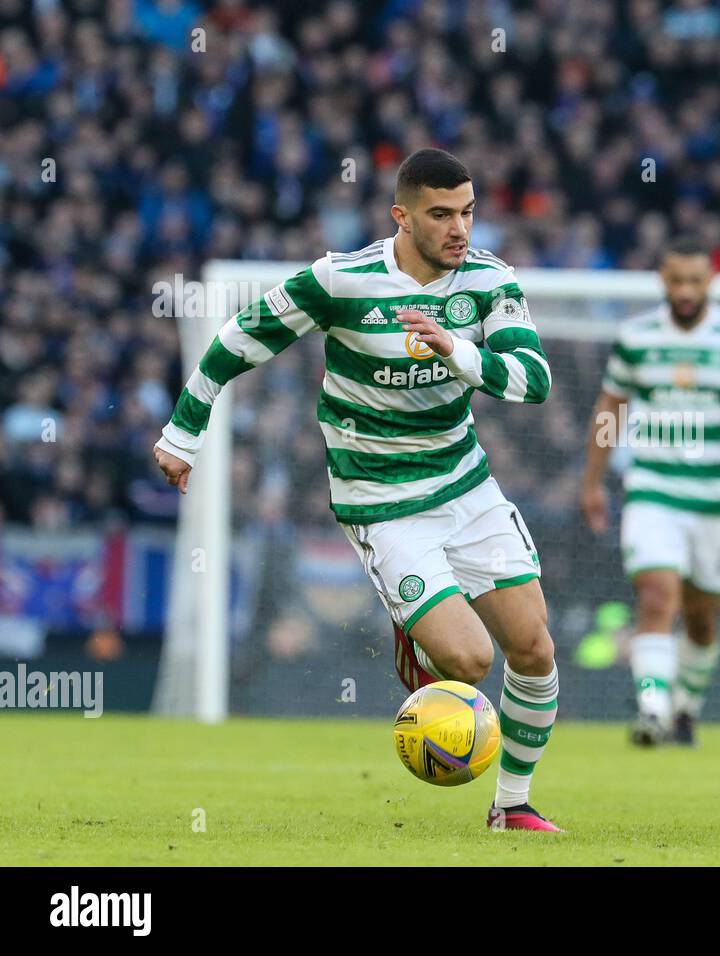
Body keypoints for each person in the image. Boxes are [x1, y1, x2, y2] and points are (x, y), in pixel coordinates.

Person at [153, 148, 563, 831]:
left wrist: (456, 351)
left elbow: (535, 380)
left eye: (467, 212)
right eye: (440, 215)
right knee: (468, 658)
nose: (459, 228)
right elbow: (239, 338)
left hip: (466, 487)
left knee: (535, 649)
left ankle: (512, 807)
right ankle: (420, 638)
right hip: (379, 499)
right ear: (401, 216)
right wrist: (183, 431)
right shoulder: (341, 282)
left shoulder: (490, 281)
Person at [580, 237, 720, 746]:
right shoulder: (636, 336)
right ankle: (652, 710)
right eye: (676, 280)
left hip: (716, 495)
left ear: (711, 280)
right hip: (653, 489)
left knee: (702, 616)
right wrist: (593, 481)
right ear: (662, 280)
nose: (685, 290)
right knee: (655, 595)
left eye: (695, 279)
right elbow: (612, 407)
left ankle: (686, 706)